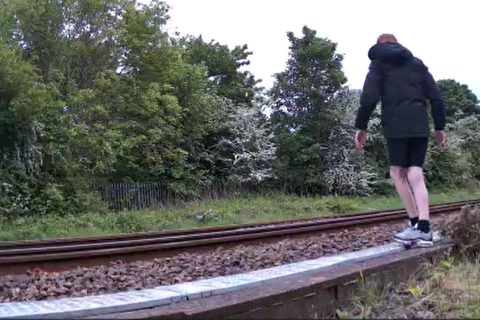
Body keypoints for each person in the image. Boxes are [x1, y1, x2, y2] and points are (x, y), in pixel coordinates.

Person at [354, 33, 447, 247]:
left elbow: (369, 96)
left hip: (396, 125)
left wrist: (361, 126)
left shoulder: (379, 64)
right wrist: (440, 128)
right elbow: (436, 97)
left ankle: (415, 223)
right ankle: (424, 229)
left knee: (397, 172)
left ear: (380, 46)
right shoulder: (417, 63)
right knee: (415, 171)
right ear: (396, 42)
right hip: (420, 125)